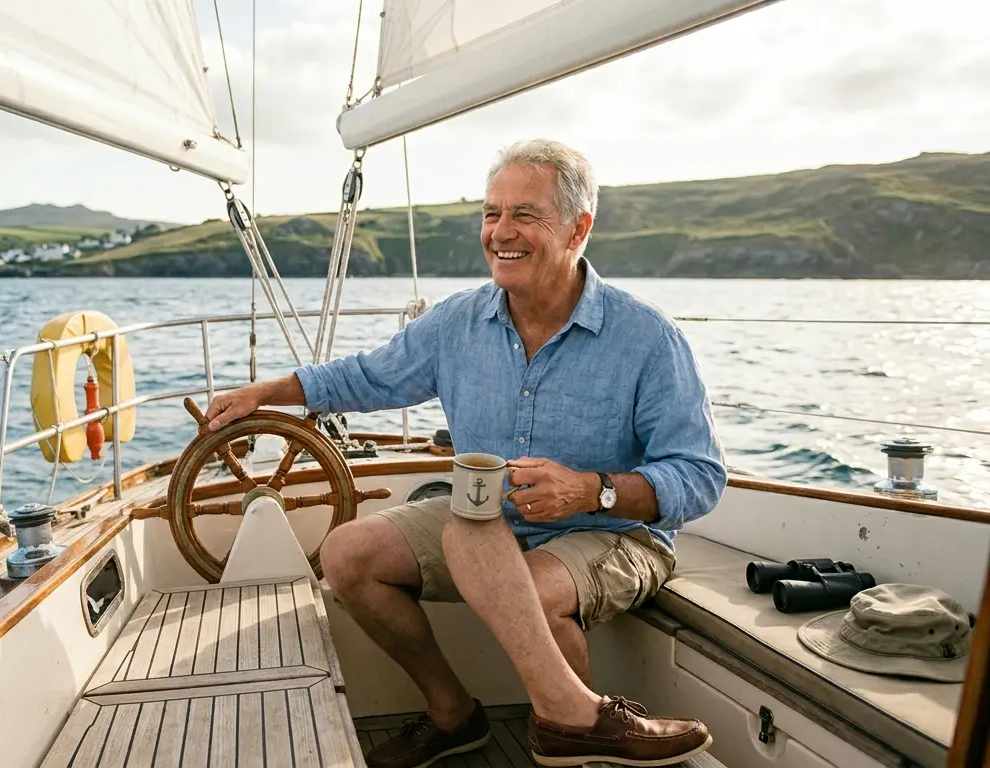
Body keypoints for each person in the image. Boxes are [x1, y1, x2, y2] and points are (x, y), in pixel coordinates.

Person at [202, 138, 726, 768]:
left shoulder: (647, 338)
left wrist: (590, 489)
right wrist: (267, 392)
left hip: (611, 530)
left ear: (578, 227)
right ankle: (464, 716)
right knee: (350, 553)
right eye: (491, 213)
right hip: (488, 524)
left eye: (524, 215)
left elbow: (698, 478)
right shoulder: (457, 324)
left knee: (524, 589)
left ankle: (573, 727)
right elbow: (367, 377)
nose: (501, 232)